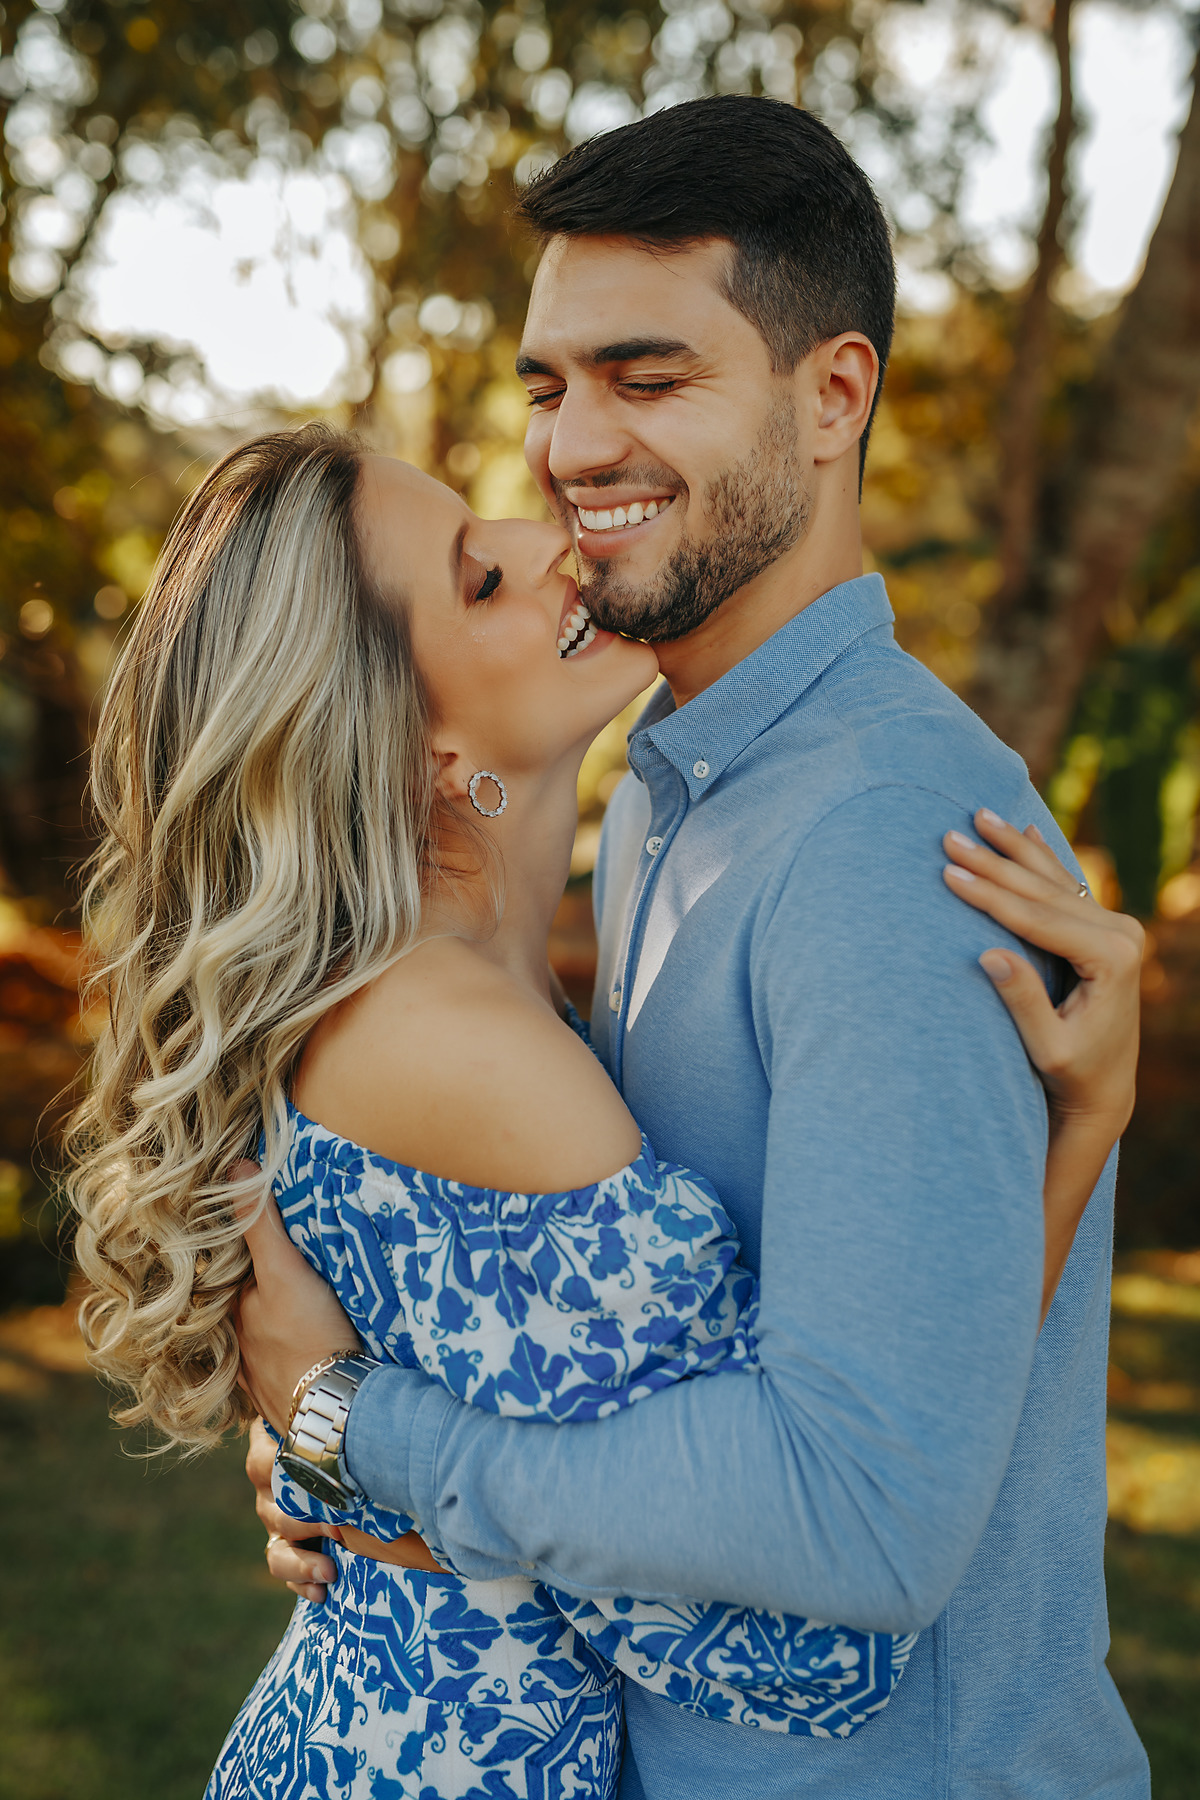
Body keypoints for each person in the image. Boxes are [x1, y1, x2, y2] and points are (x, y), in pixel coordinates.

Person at [238, 98, 1150, 1798]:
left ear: (835, 397)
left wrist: (371, 1431)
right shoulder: (663, 778)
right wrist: (353, 1487)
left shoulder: (893, 839)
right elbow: (644, 1353)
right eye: (548, 384)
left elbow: (867, 1507)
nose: (574, 446)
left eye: (647, 380)